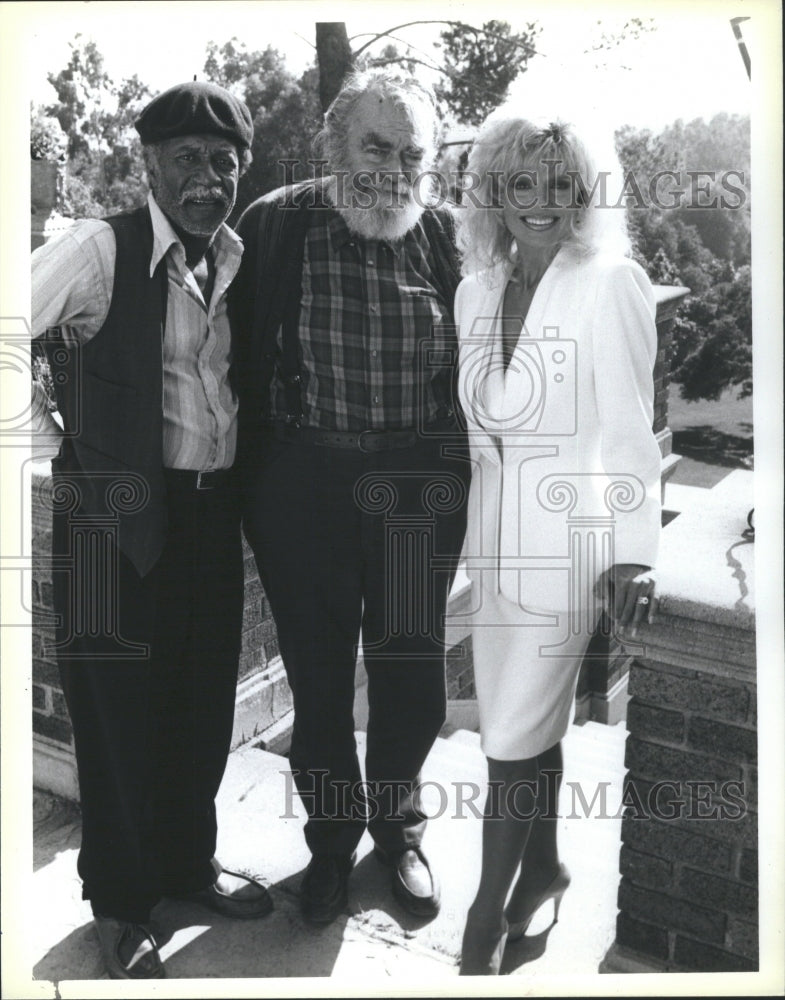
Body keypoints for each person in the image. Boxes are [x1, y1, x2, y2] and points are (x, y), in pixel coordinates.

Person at [31, 81, 273, 980]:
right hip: (105, 517)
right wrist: (58, 438)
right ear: (149, 165)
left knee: (198, 707)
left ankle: (184, 865)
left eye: (224, 163)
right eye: (187, 162)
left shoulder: (235, 254)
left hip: (207, 512)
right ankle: (121, 906)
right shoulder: (100, 248)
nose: (207, 181)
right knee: (116, 718)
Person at [231, 68, 470, 925]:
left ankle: (396, 829)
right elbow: (227, 351)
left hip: (416, 486)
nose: (393, 170)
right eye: (375, 147)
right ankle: (331, 847)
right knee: (320, 678)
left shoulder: (445, 235)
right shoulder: (274, 224)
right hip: (305, 484)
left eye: (412, 154)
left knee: (411, 671)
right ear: (333, 146)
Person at [453, 112, 661, 974]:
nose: (540, 203)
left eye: (560, 185)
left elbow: (629, 430)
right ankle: (542, 867)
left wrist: (634, 549)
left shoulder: (611, 280)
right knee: (527, 726)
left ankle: (481, 925)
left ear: (583, 194)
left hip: (568, 549)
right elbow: (480, 433)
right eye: (519, 185)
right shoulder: (473, 288)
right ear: (493, 193)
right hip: (490, 552)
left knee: (504, 740)